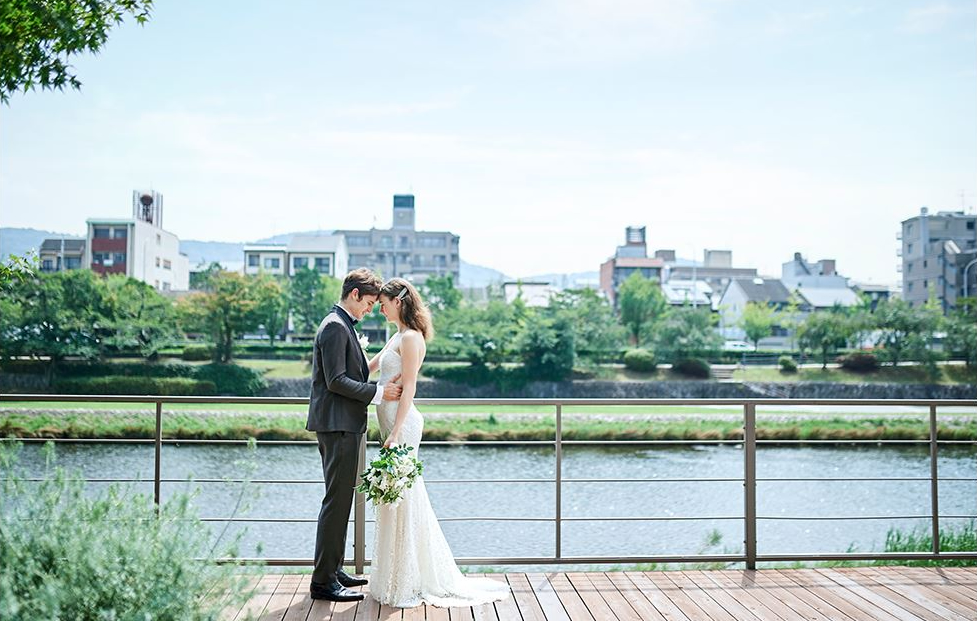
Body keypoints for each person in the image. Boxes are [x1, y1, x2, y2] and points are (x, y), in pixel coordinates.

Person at [368, 277, 511, 608]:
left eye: (384, 302)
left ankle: (410, 579)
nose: (381, 307)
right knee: (394, 499)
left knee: (403, 498)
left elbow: (411, 388)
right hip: (389, 421)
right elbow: (370, 368)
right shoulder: (396, 337)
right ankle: (395, 576)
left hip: (402, 427)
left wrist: (394, 431)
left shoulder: (412, 338)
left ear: (398, 301)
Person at [306, 268, 402, 602]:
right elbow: (336, 381)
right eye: (370, 303)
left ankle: (332, 569)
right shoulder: (334, 327)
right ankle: (322, 582)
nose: (370, 310)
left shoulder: (341, 324)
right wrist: (379, 393)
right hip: (338, 425)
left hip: (342, 424)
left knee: (341, 501)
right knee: (336, 503)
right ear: (356, 295)